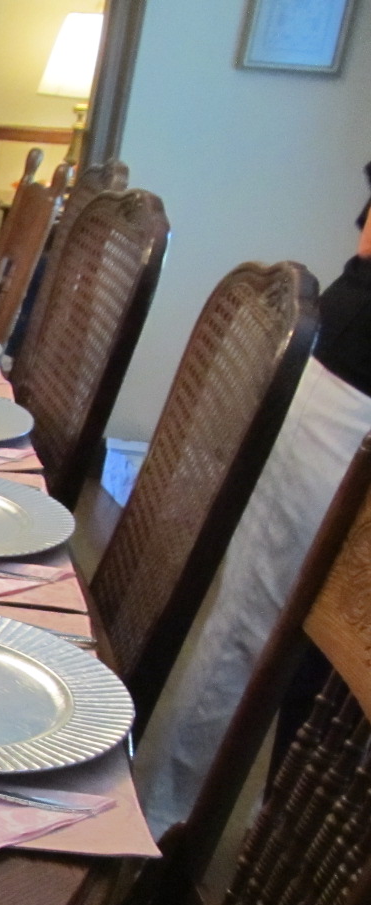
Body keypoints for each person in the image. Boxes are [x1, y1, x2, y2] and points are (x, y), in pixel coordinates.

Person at [134, 167, 371, 835]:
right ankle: (160, 841)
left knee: (339, 684)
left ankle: (275, 858)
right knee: (264, 641)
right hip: (355, 385)